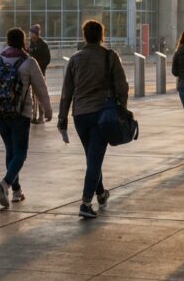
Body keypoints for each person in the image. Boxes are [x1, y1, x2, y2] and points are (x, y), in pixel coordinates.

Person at [58, 20, 128, 219]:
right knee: (94, 160)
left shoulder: (75, 59)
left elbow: (66, 93)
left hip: (80, 115)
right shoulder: (109, 56)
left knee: (92, 157)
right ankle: (86, 203)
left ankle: (101, 194)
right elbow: (122, 86)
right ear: (102, 36)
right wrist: (122, 109)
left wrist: (62, 118)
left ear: (84, 36)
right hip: (102, 114)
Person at [0, 28, 52, 208]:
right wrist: (47, 110)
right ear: (23, 41)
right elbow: (41, 88)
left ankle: (16, 191)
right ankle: (6, 183)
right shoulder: (28, 62)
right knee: (20, 153)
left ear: (7, 41)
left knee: (10, 150)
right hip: (20, 114)